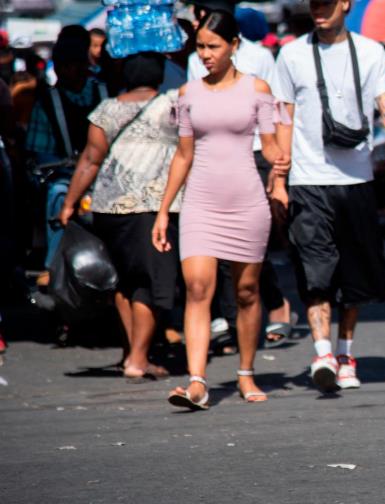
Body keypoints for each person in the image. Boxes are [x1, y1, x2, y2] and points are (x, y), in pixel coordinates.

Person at [271, 0, 385, 392]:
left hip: (356, 179)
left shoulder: (371, 52)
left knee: (354, 273)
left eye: (327, 2)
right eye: (314, 3)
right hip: (308, 179)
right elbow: (283, 116)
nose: (319, 9)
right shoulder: (291, 54)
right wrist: (279, 179)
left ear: (345, 4)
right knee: (315, 267)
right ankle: (322, 351)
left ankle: (344, 352)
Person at [152, 10, 289, 410]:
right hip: (199, 202)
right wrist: (164, 211)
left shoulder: (256, 89)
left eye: (214, 46)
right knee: (198, 289)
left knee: (246, 291)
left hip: (246, 200)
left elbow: (272, 145)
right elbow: (182, 155)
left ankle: (245, 372)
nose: (206, 54)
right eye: (200, 47)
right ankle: (196, 382)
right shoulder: (188, 94)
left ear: (234, 46)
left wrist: (281, 166)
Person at [59, 53, 181, 381]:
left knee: (124, 282)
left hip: (109, 207)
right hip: (153, 206)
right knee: (149, 282)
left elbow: (90, 159)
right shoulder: (173, 105)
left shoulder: (107, 109)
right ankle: (138, 359)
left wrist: (70, 201)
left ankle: (132, 352)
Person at [187, 0, 295, 348]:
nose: (205, 51)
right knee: (213, 254)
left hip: (253, 160)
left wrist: (278, 177)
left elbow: (276, 117)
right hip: (211, 166)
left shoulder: (260, 58)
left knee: (251, 250)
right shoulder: (194, 60)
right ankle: (231, 322)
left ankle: (275, 306)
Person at [24, 26, 107, 279]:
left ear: (84, 65)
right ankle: (54, 267)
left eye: (72, 64)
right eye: (61, 65)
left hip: (105, 176)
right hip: (65, 176)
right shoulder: (48, 102)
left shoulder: (104, 92)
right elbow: (40, 153)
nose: (66, 71)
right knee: (58, 196)